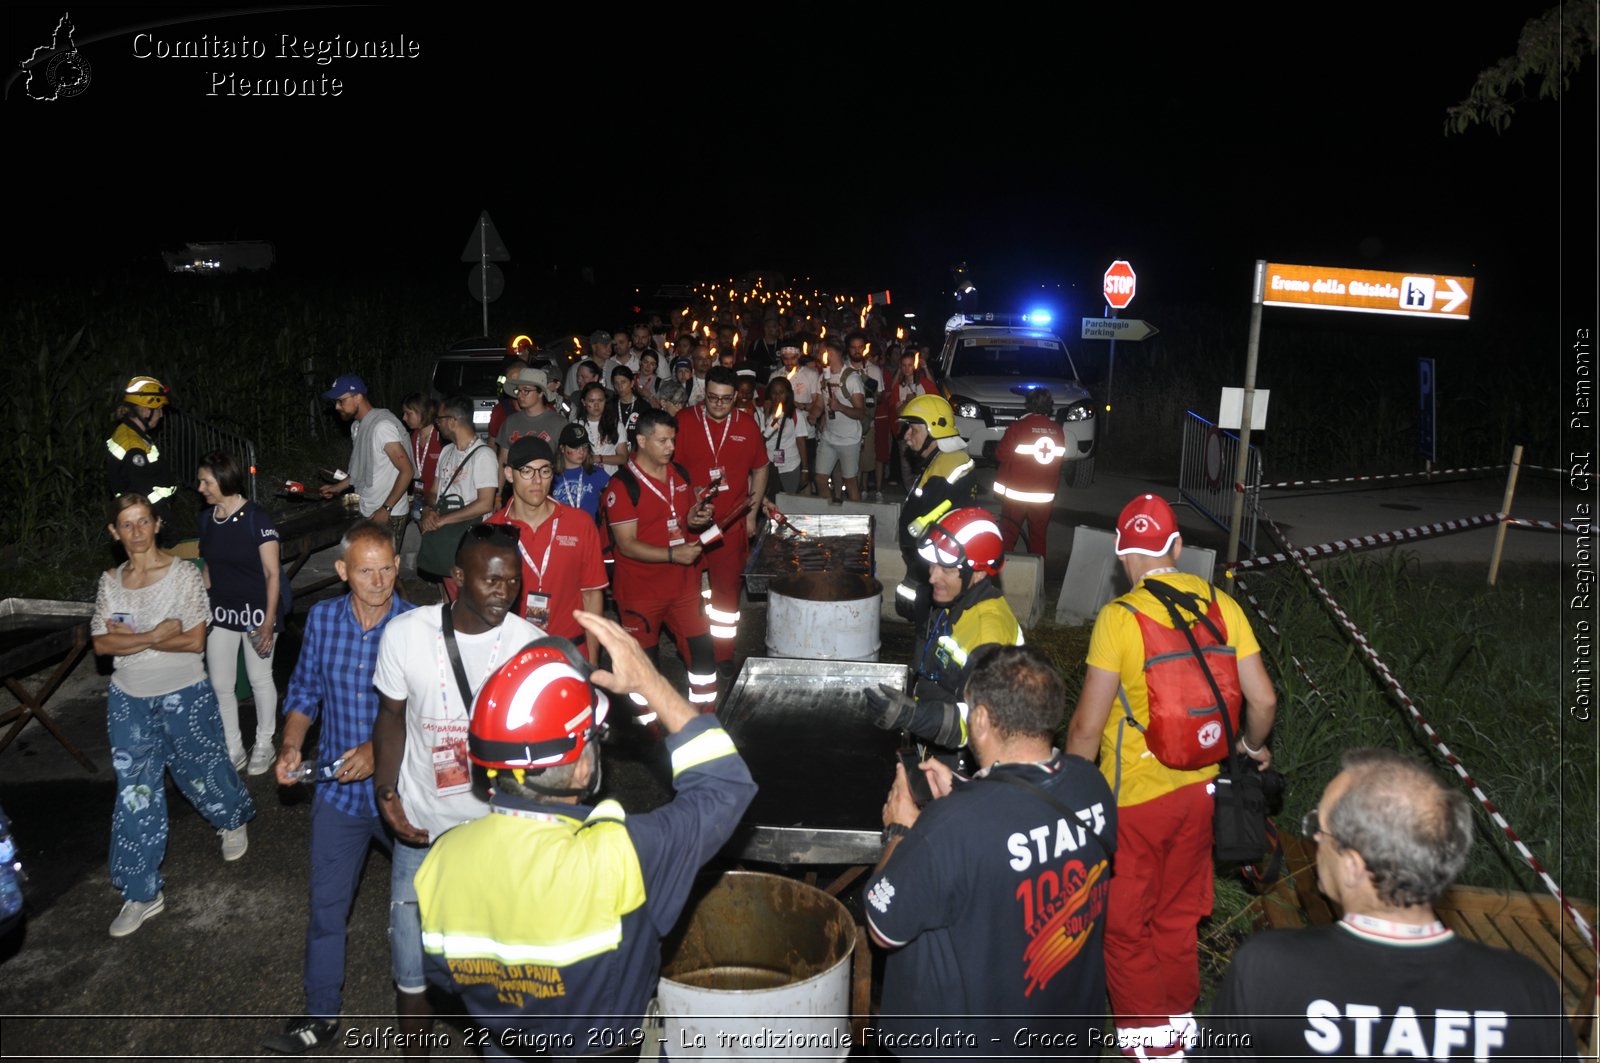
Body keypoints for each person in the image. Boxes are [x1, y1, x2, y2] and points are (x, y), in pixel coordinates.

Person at [414, 611, 757, 1058]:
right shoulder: (618, 858)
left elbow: (441, 976)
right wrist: (650, 681)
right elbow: (726, 784)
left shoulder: (442, 860)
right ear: (580, 766)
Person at [1064, 494, 1276, 1059]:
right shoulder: (1222, 605)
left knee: (1125, 926)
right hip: (1203, 794)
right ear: (1177, 547)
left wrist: (1063, 791)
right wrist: (1250, 748)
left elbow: (1086, 729)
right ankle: (1181, 1030)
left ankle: (1153, 1050)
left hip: (1131, 802)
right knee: (1180, 917)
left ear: (1119, 551)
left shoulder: (1119, 618)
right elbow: (1264, 699)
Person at [1207, 748, 1579, 1062]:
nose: (1315, 841)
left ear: (1352, 866)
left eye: (1319, 829)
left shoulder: (1268, 969)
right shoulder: (1525, 991)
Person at [865, 644, 1116, 1055]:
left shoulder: (949, 828)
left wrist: (899, 829)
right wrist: (967, 789)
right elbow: (1023, 821)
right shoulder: (1091, 785)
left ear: (980, 720)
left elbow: (881, 926)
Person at [371, 527, 543, 1056]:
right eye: (491, 581)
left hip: (500, 835)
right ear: (458, 579)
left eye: (512, 582)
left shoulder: (530, 646)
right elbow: (392, 717)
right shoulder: (406, 634)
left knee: (500, 969)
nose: (504, 592)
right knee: (412, 969)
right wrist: (385, 790)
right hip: (423, 831)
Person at [261, 523, 416, 1056]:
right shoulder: (324, 620)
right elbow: (305, 690)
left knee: (424, 911)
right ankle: (322, 1015)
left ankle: (440, 1008)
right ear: (343, 571)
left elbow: (433, 715)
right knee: (327, 910)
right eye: (366, 571)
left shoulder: (417, 626)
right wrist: (290, 744)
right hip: (339, 797)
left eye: (387, 568)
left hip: (403, 795)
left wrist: (378, 751)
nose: (379, 581)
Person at [91, 493, 255, 937]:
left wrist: (136, 638)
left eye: (144, 521)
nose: (137, 531)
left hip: (184, 691)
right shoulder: (111, 582)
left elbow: (193, 642)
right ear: (114, 532)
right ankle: (141, 891)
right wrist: (156, 633)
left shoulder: (183, 574)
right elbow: (103, 645)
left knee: (201, 769)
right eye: (127, 524)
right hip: (128, 697)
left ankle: (231, 818)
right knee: (135, 793)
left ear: (157, 523)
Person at [866, 508, 1024, 762]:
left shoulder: (988, 635)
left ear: (979, 572)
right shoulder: (957, 602)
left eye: (946, 569)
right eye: (933, 564)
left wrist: (915, 717)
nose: (932, 576)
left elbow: (987, 724)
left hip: (969, 764)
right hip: (938, 746)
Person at [602, 408, 720, 709]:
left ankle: (704, 715)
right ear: (641, 441)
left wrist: (696, 516)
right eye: (663, 441)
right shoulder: (622, 486)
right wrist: (672, 554)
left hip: (683, 586)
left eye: (672, 440)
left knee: (703, 653)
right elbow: (626, 545)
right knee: (645, 666)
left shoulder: (678, 474)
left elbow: (682, 518)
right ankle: (648, 732)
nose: (671, 447)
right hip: (641, 592)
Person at [672, 367, 769, 672]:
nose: (718, 404)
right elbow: (668, 468)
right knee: (685, 590)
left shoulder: (747, 424)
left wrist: (752, 515)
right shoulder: (685, 421)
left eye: (726, 399)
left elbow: (761, 469)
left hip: (731, 524)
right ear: (704, 394)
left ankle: (724, 654)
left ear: (736, 397)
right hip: (691, 524)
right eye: (712, 397)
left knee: (726, 594)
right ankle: (692, 649)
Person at [485, 436, 608, 664]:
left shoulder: (579, 523)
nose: (537, 480)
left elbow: (591, 595)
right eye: (527, 471)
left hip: (571, 650)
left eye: (544, 471)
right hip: (513, 655)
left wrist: (592, 662)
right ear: (510, 474)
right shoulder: (492, 531)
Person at [196, 450, 282, 775]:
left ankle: (264, 743)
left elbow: (272, 573)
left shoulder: (256, 518)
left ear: (223, 479)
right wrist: (196, 603)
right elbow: (210, 570)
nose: (201, 487)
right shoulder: (207, 520)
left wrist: (269, 621)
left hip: (256, 613)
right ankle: (233, 746)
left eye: (206, 481)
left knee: (260, 678)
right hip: (221, 614)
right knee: (220, 683)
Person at [892, 394, 977, 621]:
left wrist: (913, 578)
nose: (907, 436)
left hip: (935, 572)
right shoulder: (943, 460)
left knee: (928, 631)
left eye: (913, 429)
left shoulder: (944, 468)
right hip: (932, 570)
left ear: (934, 429)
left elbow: (934, 532)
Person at [319, 374, 414, 550]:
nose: (337, 406)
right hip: (368, 508)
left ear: (358, 397)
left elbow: (407, 471)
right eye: (336, 402)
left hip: (389, 513)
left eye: (341, 401)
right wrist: (337, 488)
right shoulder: (357, 427)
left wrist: (386, 509)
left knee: (386, 571)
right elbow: (360, 471)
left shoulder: (381, 427)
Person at [418, 396, 500, 589]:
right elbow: (434, 491)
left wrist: (443, 520)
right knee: (447, 587)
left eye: (439, 420)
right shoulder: (447, 452)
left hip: (470, 538)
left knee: (464, 593)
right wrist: (428, 510)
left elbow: (485, 503)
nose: (437, 424)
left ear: (452, 422)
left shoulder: (483, 456)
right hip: (447, 535)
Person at [994, 388, 1067, 556]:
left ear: (1028, 404)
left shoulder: (1018, 427)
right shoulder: (1058, 431)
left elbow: (1000, 454)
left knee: (1008, 535)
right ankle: (1038, 576)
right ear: (1049, 406)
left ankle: (1003, 575)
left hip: (1016, 494)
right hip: (1044, 496)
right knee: (1039, 537)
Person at [106, 376, 180, 542]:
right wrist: (164, 519)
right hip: (144, 521)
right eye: (159, 409)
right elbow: (142, 490)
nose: (161, 415)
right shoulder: (133, 445)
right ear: (146, 410)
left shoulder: (131, 433)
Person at [811, 338, 868, 504]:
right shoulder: (823, 378)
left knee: (850, 482)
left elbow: (860, 413)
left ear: (833, 354)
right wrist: (813, 414)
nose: (821, 356)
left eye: (823, 352)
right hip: (829, 437)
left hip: (849, 439)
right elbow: (819, 404)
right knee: (821, 478)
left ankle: (857, 518)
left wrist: (840, 407)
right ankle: (830, 515)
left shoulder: (851, 378)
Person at [495, 365, 568, 467]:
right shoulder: (510, 422)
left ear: (541, 393)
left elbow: (565, 461)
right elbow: (503, 460)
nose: (520, 395)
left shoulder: (559, 423)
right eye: (518, 390)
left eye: (526, 390)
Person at [760, 374, 807, 496]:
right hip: (768, 466)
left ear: (788, 394)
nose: (777, 396)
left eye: (781, 392)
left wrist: (805, 469)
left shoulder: (795, 415)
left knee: (787, 503)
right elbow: (759, 440)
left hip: (790, 466)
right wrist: (766, 415)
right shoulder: (762, 412)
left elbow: (801, 442)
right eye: (774, 392)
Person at [400, 393, 444, 511]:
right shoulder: (411, 436)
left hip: (439, 501)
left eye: (408, 413)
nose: (404, 418)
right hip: (418, 498)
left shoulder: (442, 437)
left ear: (422, 413)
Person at [576, 382, 625, 473]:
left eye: (600, 400)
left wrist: (598, 458)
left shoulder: (615, 424)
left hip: (610, 480)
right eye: (591, 401)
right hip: (584, 479)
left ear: (605, 401)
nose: (596, 405)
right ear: (584, 402)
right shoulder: (576, 425)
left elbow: (623, 457)